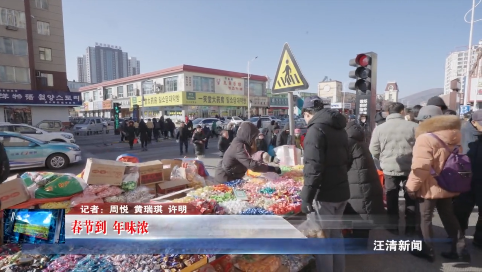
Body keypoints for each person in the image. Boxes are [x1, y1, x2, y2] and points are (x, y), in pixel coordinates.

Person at [406, 109, 469, 262]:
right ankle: (460, 250)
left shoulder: (425, 138)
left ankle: (427, 251)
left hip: (428, 186)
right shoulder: (454, 135)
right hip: (447, 184)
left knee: (425, 218)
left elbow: (421, 167)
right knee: (449, 216)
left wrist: (412, 187)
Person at [300, 96, 350, 272]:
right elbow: (348, 161)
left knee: (323, 241)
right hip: (342, 191)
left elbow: (313, 169)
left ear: (308, 114)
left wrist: (306, 198)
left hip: (325, 195)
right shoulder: (340, 128)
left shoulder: (315, 130)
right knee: (336, 237)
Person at [369, 102, 418, 235]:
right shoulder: (414, 126)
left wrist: (383, 159)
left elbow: (373, 149)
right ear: (402, 111)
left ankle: (393, 226)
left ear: (388, 113)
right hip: (411, 168)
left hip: (389, 168)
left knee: (391, 196)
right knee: (411, 197)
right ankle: (411, 227)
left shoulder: (380, 128)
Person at [343, 120, 385, 245]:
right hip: (363, 182)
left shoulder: (349, 142)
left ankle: (359, 243)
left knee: (360, 213)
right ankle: (359, 240)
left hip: (360, 185)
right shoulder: (357, 139)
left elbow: (342, 163)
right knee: (363, 212)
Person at [214, 122, 281, 183]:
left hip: (232, 175)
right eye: (253, 137)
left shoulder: (240, 142)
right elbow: (251, 165)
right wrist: (271, 168)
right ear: (248, 135)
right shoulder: (239, 146)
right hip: (225, 177)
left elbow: (251, 157)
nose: (254, 139)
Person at [453, 110, 482, 249]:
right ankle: (458, 238)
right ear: (473, 121)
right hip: (465, 178)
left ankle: (479, 239)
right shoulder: (462, 132)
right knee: (461, 210)